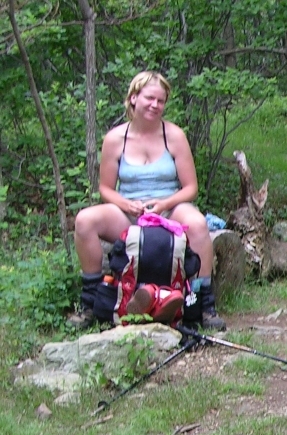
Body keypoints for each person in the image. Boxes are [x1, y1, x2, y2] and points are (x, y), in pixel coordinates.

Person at [70, 71, 226, 331]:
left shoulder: (174, 135)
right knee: (84, 221)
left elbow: (191, 188)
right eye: (150, 98)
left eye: (161, 101)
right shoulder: (115, 139)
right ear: (133, 98)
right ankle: (90, 303)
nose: (155, 105)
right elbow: (105, 189)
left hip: (170, 208)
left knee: (198, 224)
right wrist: (124, 203)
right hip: (130, 210)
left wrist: (164, 204)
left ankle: (204, 306)